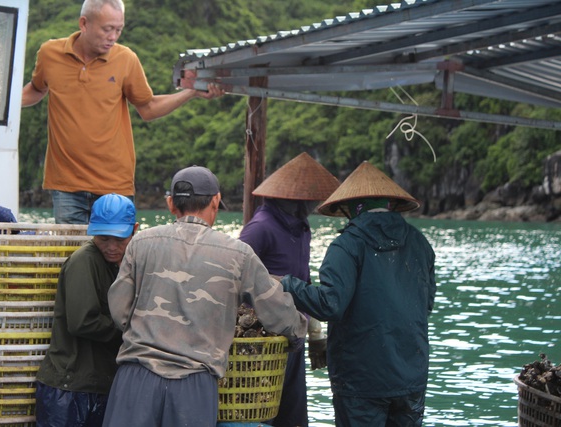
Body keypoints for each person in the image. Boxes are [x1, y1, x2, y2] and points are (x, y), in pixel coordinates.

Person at [103, 165, 308, 427]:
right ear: (215, 201)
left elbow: (119, 310)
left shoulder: (140, 243)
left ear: (170, 204)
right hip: (193, 385)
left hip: (135, 378)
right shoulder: (239, 254)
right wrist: (298, 331)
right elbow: (280, 313)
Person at [21, 0, 224, 224]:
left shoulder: (126, 59)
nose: (113, 37)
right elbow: (37, 90)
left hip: (114, 185)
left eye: (118, 29)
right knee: (74, 257)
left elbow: (147, 108)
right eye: (107, 29)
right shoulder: (50, 54)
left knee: (115, 256)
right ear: (84, 23)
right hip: (66, 186)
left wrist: (191, 92)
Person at [280, 161, 436, 427]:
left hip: (361, 379)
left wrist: (286, 284)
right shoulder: (420, 243)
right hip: (411, 373)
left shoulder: (347, 245)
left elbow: (330, 304)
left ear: (353, 207)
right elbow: (426, 304)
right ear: (391, 204)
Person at [239, 152, 340, 427]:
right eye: (309, 199)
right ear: (293, 199)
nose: (314, 204)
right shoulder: (260, 228)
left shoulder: (301, 228)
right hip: (264, 340)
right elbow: (236, 277)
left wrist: (316, 332)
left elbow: (303, 281)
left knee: (293, 414)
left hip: (294, 334)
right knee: (262, 412)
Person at [35, 193, 138, 427]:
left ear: (135, 230)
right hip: (69, 390)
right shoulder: (84, 261)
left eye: (120, 239)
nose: (111, 247)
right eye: (103, 238)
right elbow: (83, 321)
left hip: (96, 384)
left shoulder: (122, 265)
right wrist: (134, 332)